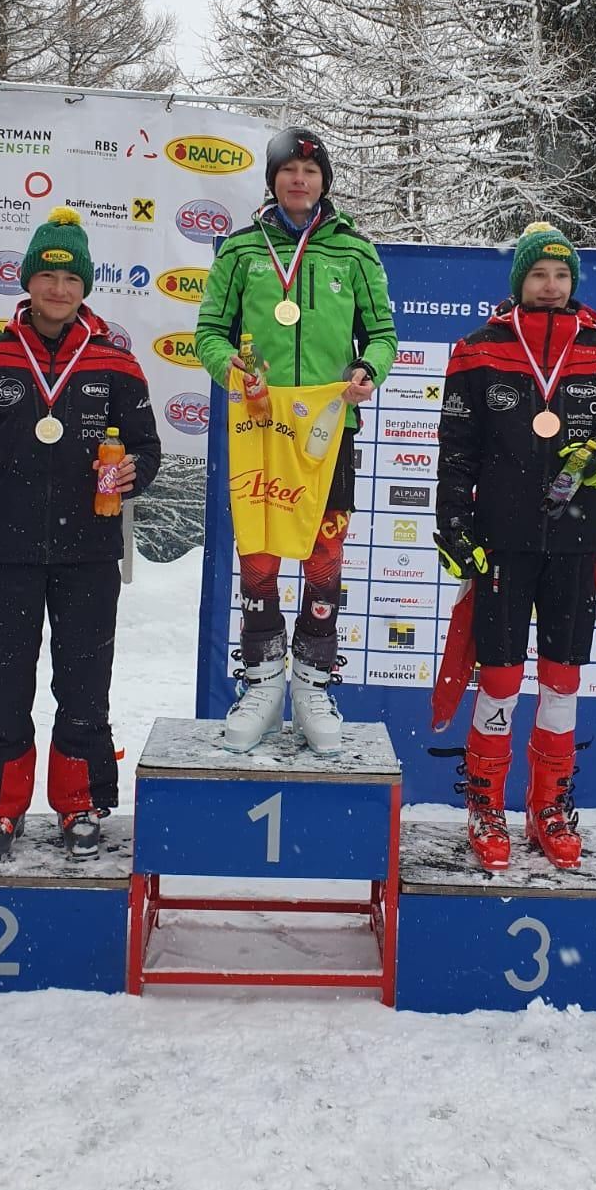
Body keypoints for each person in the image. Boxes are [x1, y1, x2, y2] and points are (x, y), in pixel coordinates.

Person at [0, 206, 161, 862]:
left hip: (89, 552)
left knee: (85, 685)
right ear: (28, 281)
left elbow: (146, 448)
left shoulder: (115, 361)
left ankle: (81, 802)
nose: (58, 289)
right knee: (2, 684)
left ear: (85, 286)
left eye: (70, 278)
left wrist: (129, 472)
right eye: (48, 276)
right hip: (4, 551)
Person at [435, 221, 596, 872]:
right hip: (500, 542)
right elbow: (456, 449)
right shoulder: (476, 350)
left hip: (576, 542)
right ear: (519, 280)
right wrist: (451, 524)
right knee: (497, 677)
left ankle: (548, 807)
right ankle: (486, 805)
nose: (550, 286)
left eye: (561, 276)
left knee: (562, 680)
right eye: (538, 274)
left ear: (573, 282)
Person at [195, 126, 397, 756]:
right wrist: (235, 369)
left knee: (322, 562)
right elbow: (209, 334)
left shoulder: (355, 253)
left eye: (311, 172)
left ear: (324, 182)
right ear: (273, 179)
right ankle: (261, 681)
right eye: (289, 171)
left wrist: (369, 373)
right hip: (259, 429)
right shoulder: (239, 251)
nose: (300, 181)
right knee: (258, 559)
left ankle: (312, 682)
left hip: (327, 433)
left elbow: (383, 335)